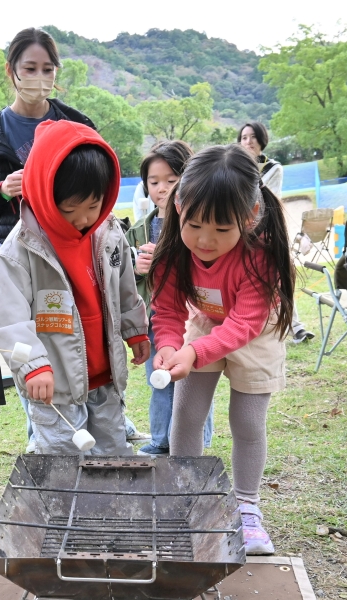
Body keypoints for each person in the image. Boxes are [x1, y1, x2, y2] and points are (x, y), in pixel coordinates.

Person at [149, 144, 295, 555]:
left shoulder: (261, 256)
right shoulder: (176, 249)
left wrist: (194, 353)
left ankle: (246, 508)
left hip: (257, 332)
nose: (205, 241)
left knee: (247, 423)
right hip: (207, 321)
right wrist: (169, 345)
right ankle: (187, 498)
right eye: (194, 225)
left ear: (248, 218)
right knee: (187, 414)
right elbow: (167, 309)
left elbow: (245, 323)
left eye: (221, 230)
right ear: (179, 205)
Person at [0, 119, 150, 454]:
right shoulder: (21, 249)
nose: (83, 219)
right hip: (55, 381)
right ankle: (66, 506)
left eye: (93, 206)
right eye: (69, 209)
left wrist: (136, 331)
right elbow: (8, 319)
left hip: (104, 375)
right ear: (45, 193)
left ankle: (109, 506)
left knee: (112, 451)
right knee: (63, 456)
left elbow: (124, 290)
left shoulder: (109, 234)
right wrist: (33, 366)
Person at [0, 27, 95, 451]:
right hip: (18, 249)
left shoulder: (77, 123)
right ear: (11, 71)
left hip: (73, 248)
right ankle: (43, 432)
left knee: (72, 335)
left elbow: (97, 180)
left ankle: (84, 425)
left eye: (47, 68)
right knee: (31, 336)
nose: (39, 76)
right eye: (30, 68)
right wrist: (2, 190)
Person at [125, 141, 214, 456]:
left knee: (193, 384)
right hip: (156, 318)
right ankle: (162, 440)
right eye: (154, 181)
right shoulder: (139, 230)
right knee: (159, 379)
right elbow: (120, 278)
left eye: (171, 180)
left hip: (193, 319)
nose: (162, 188)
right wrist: (136, 268)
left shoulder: (202, 223)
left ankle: (197, 440)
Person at [239, 121, 315, 344]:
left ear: (262, 140)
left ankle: (296, 326)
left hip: (267, 231)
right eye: (243, 137)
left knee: (280, 276)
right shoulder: (233, 167)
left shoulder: (272, 168)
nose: (248, 141)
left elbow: (263, 197)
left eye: (253, 137)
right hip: (239, 231)